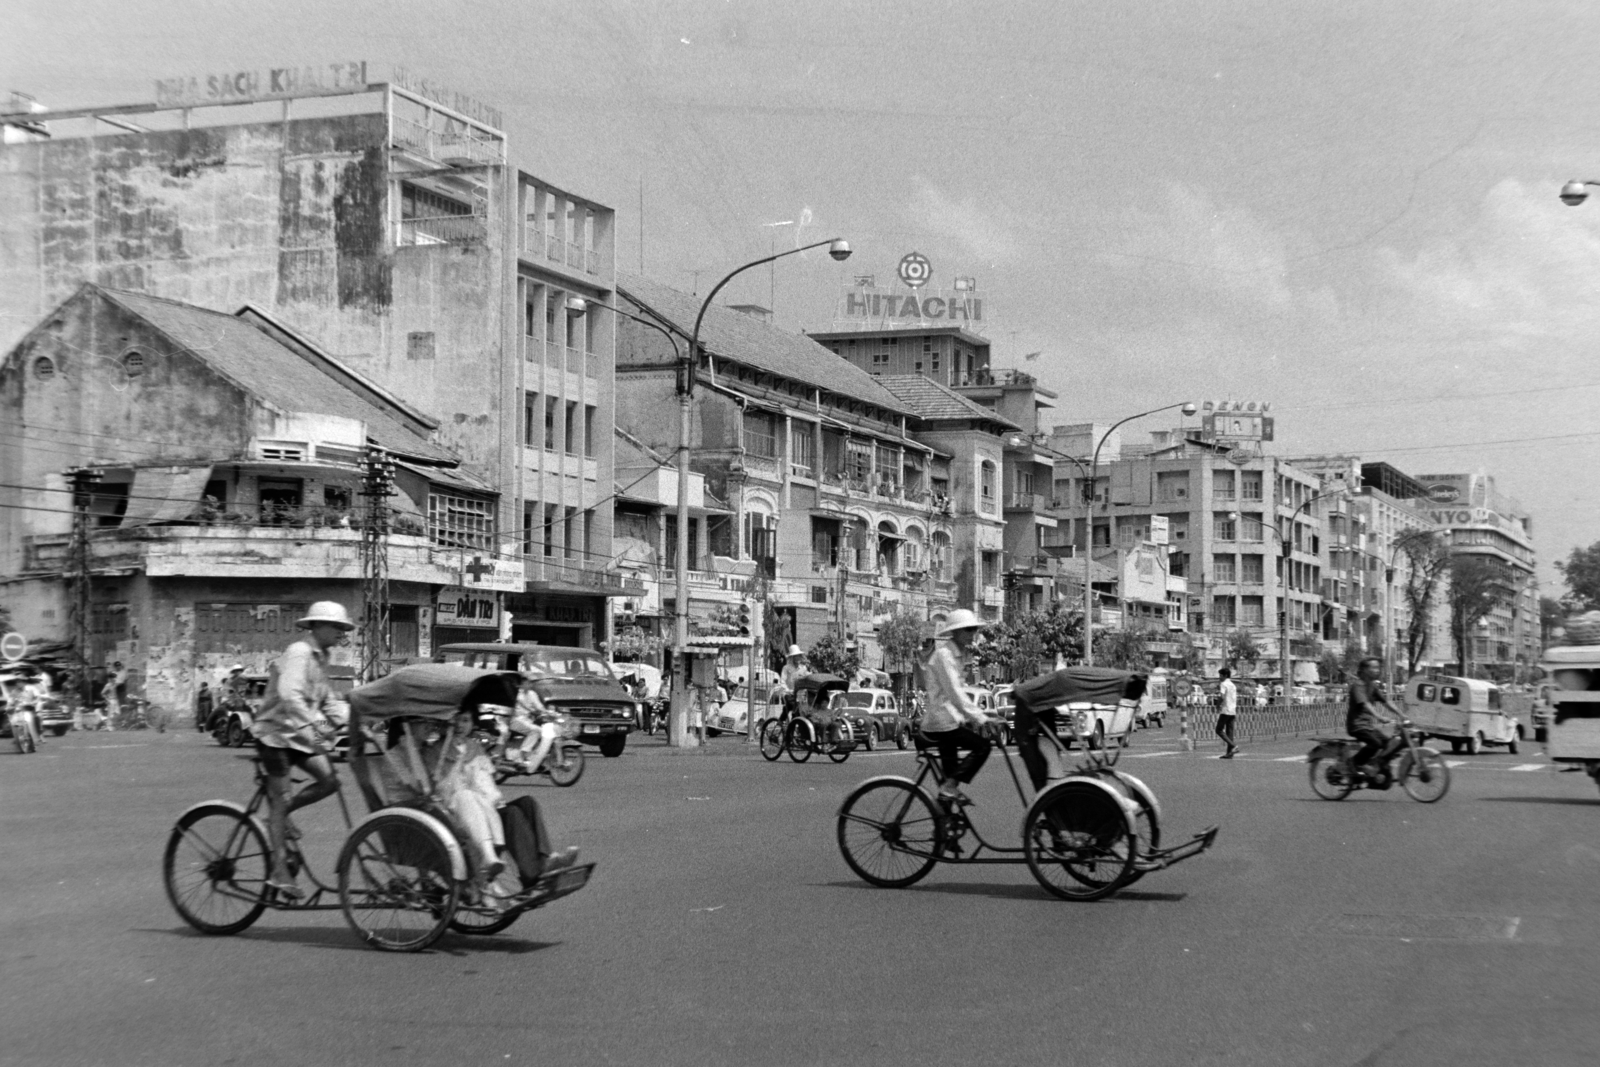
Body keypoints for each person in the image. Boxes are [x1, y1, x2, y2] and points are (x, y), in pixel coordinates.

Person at [250, 601, 353, 898]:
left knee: (331, 780)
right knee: (281, 799)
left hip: (299, 735)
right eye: (335, 627)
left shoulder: (323, 658)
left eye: (342, 628)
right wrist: (316, 731)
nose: (340, 633)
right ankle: (279, 872)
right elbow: (290, 695)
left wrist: (355, 722)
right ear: (317, 626)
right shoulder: (299, 652)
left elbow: (327, 701)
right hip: (275, 736)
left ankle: (278, 818)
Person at [920, 609, 993, 805]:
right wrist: (981, 719)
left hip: (950, 721)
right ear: (957, 632)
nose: (973, 634)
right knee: (983, 747)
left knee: (947, 793)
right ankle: (949, 787)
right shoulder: (944, 655)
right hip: (941, 722)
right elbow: (955, 693)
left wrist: (977, 717)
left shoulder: (957, 655)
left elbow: (960, 693)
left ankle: (943, 827)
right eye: (969, 630)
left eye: (974, 629)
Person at [1347, 657, 1399, 778]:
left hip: (1368, 726)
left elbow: (1386, 702)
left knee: (1389, 744)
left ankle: (1373, 767)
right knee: (1375, 744)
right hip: (1357, 726)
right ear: (1364, 670)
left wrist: (1403, 715)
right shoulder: (1358, 686)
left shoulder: (1372, 686)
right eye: (1374, 667)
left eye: (1378, 667)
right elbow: (1365, 704)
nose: (1377, 670)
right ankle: (1353, 763)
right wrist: (1380, 717)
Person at [1216, 668, 1239, 758]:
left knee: (1219, 730)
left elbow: (1221, 696)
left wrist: (1218, 705)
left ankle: (1234, 746)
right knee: (1230, 732)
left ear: (1225, 676)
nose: (1219, 677)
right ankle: (1230, 753)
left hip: (1226, 710)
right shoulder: (1233, 685)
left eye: (1220, 675)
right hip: (1233, 710)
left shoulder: (1224, 684)